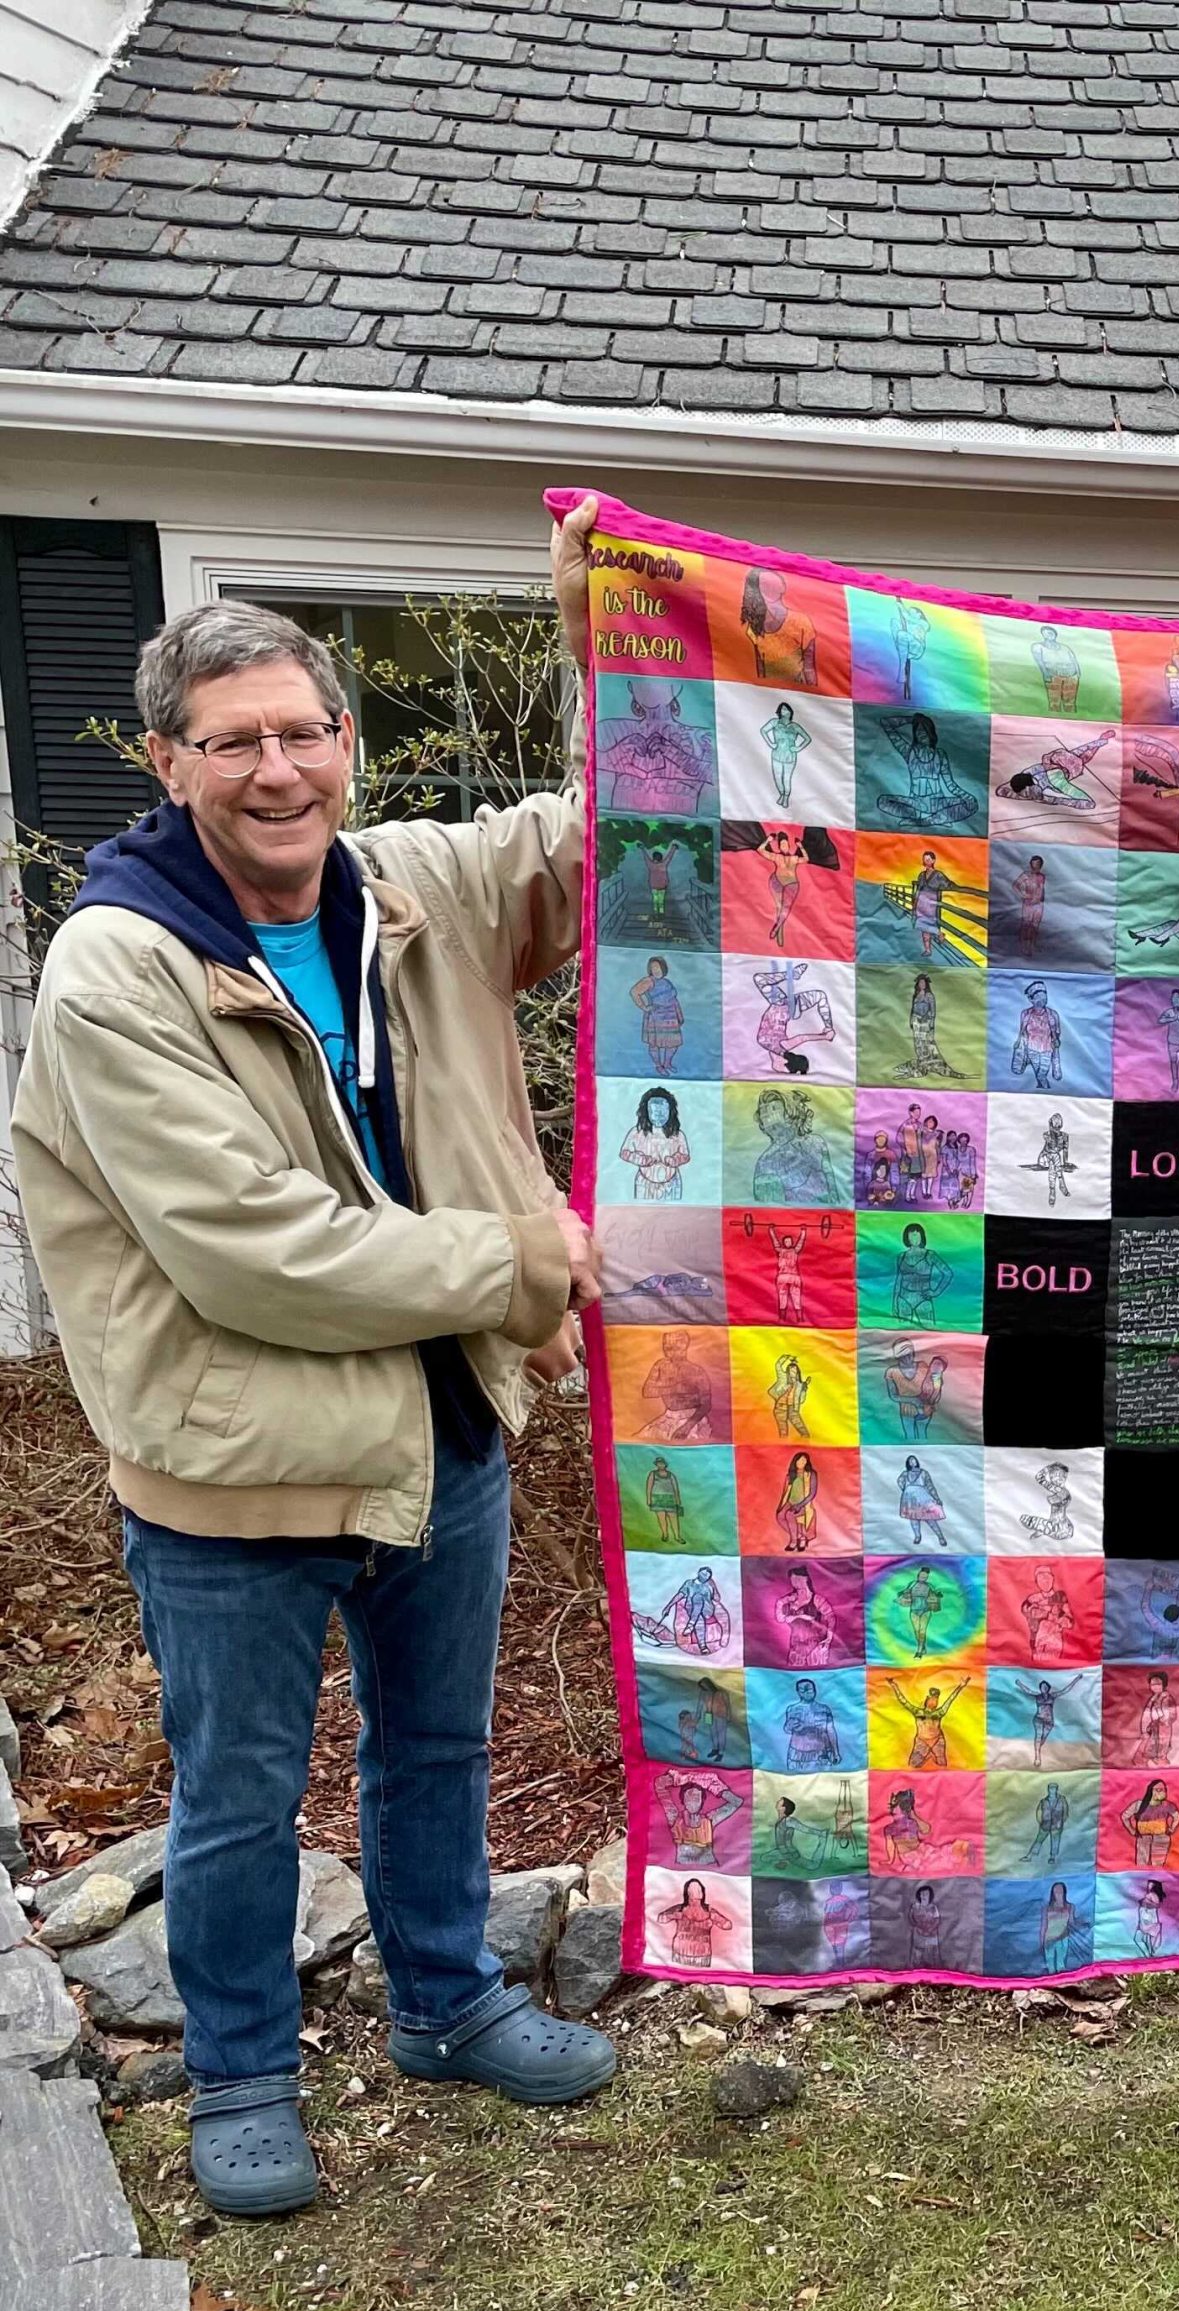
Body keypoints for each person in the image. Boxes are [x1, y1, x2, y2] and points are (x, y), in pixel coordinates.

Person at [11, 504, 618, 2217]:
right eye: (232, 743)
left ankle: (445, 1999)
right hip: (237, 1456)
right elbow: (252, 1252)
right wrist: (522, 1261)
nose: (276, 769)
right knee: (240, 1793)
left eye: (302, 731)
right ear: (169, 761)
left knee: (436, 1751)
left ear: (346, 742)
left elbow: (617, 833)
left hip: (444, 1427)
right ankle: (244, 2075)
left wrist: (604, 629)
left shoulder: (412, 887)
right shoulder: (114, 967)